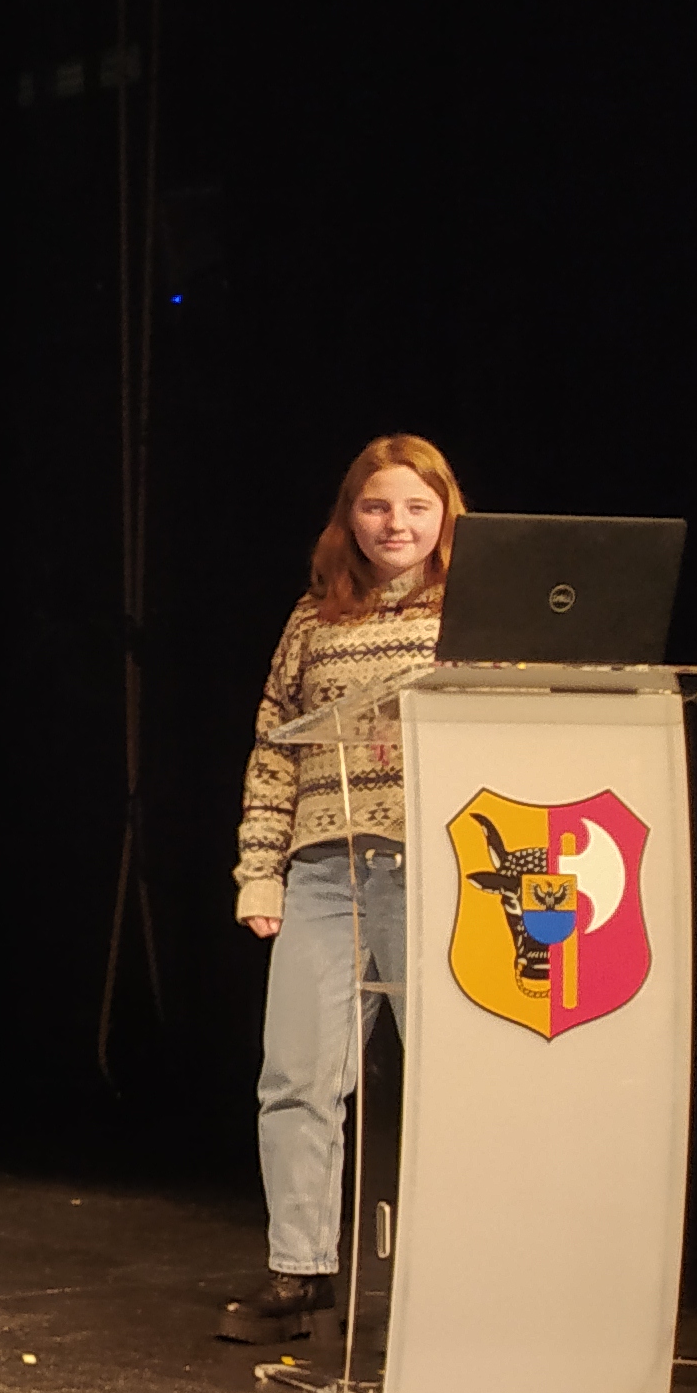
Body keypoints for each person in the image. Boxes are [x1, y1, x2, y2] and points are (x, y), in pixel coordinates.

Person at [224, 436, 463, 1346]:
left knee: (455, 1077)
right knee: (296, 1076)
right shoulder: (313, 620)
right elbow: (273, 752)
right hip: (327, 872)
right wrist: (260, 870)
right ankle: (300, 1269)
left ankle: (462, 1269)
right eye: (376, 507)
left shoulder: (473, 614)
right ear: (349, 519)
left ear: (445, 515)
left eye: (415, 507)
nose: (395, 524)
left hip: (438, 870)